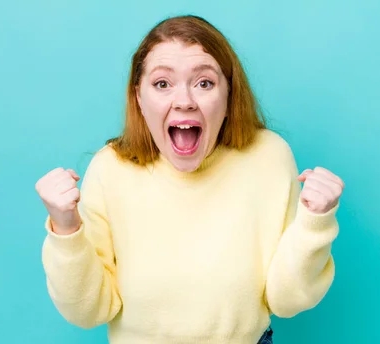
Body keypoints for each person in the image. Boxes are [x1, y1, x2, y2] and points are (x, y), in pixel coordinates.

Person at [35, 14, 344, 344]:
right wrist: (65, 228)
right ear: (139, 97)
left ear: (228, 95)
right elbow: (88, 312)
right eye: (162, 84)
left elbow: (287, 300)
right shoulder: (109, 169)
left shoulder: (269, 156)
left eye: (204, 83)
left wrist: (315, 223)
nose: (183, 101)